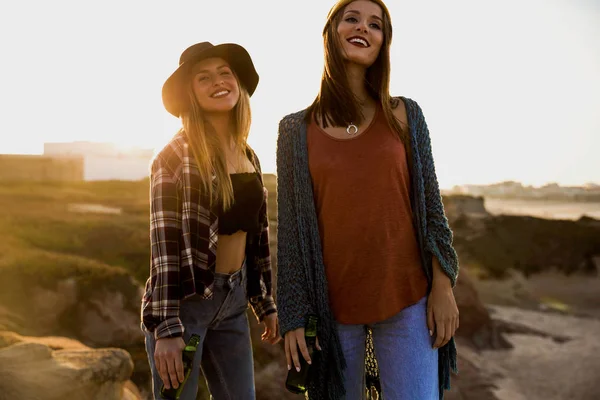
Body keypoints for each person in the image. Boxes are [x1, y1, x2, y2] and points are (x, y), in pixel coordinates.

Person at [275, 1, 459, 399]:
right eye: (352, 18)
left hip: (409, 301)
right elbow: (290, 232)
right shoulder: (294, 130)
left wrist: (443, 286)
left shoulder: (405, 114)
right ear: (331, 32)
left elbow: (431, 208)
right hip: (332, 312)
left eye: (376, 25)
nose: (363, 28)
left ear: (383, 43)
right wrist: (292, 315)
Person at [140, 41, 280, 400]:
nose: (218, 82)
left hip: (233, 303)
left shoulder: (249, 154)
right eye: (203, 78)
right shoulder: (174, 156)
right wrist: (167, 329)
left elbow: (258, 237)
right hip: (187, 305)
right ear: (190, 93)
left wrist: (264, 304)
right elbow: (164, 248)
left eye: (224, 73)